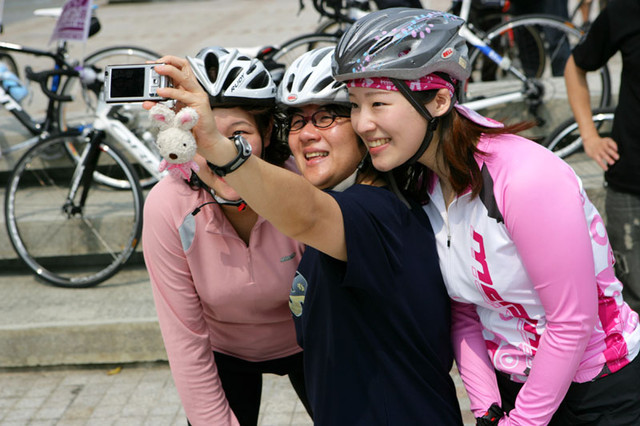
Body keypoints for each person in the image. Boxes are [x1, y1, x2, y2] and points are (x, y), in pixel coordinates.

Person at [332, 7, 640, 425]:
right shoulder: (423, 181)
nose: (362, 123)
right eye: (354, 105)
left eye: (379, 103)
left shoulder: (525, 178)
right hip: (515, 387)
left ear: (440, 101)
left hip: (599, 388)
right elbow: (465, 310)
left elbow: (572, 321)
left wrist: (522, 421)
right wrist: (488, 410)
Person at [146, 46, 464, 425]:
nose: (309, 133)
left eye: (327, 116)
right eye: (297, 121)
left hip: (334, 368)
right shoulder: (172, 202)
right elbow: (184, 338)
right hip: (239, 352)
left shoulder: (351, 205)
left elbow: (309, 214)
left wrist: (220, 149)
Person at [141, 47, 311, 426]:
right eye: (205, 137)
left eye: (239, 134)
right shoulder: (167, 205)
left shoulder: (300, 184)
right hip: (224, 351)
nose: (222, 154)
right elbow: (184, 339)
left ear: (268, 131)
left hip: (314, 341)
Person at [564, 0, 640, 314]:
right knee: (634, 298)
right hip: (631, 184)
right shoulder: (626, 9)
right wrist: (589, 135)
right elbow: (575, 66)